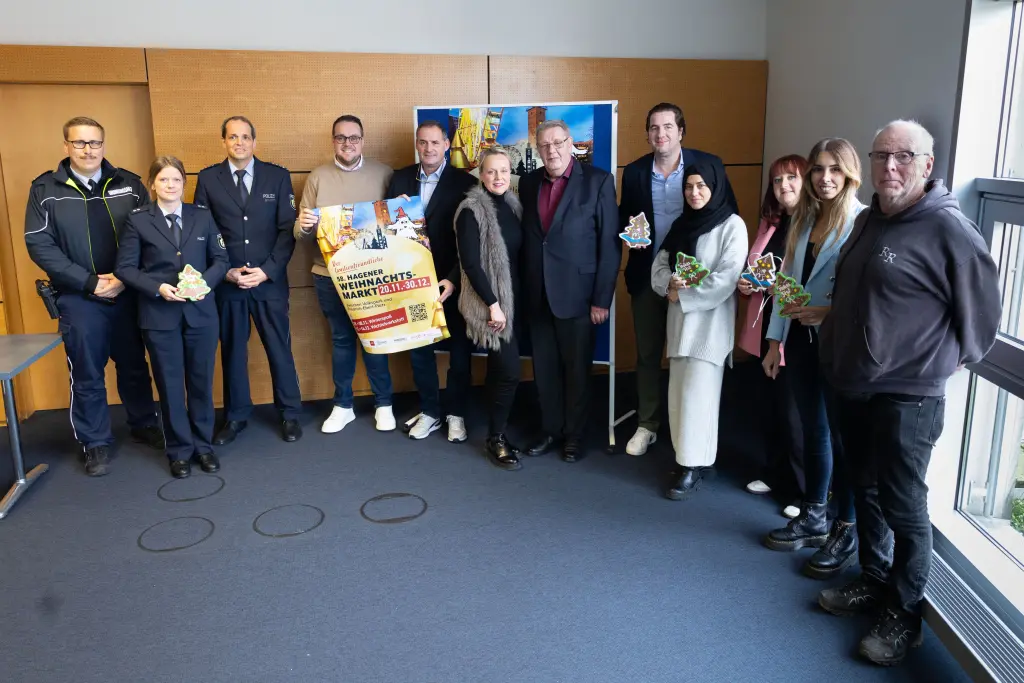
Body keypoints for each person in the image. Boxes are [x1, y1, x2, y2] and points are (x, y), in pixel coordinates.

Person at [817, 120, 1000, 666]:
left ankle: (905, 614)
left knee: (904, 504)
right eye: (881, 156)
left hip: (909, 396)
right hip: (855, 385)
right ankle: (874, 582)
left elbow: (982, 327)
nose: (890, 167)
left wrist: (925, 364)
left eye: (904, 157)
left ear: (927, 164)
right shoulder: (870, 219)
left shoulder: (950, 230)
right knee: (866, 491)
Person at [24, 116, 162, 477]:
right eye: (80, 143)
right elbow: (39, 244)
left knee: (134, 365)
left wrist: (122, 277)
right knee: (86, 372)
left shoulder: (129, 186)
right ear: (65, 146)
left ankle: (144, 423)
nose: (88, 150)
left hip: (128, 292)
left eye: (95, 143)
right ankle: (95, 442)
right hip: (79, 298)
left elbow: (152, 233)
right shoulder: (45, 189)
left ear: (104, 145)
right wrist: (88, 282)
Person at [761, 139, 866, 580]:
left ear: (849, 175)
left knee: (845, 441)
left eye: (834, 171)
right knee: (814, 431)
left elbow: (869, 295)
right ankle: (815, 515)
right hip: (800, 343)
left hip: (838, 342)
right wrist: (773, 342)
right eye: (819, 169)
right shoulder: (804, 217)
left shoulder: (862, 222)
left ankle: (847, 525)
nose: (825, 178)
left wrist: (828, 312)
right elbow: (787, 281)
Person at [619, 103, 738, 457]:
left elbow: (728, 214)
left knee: (691, 357)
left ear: (681, 131)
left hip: (696, 285)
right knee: (648, 353)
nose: (661, 134)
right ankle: (648, 424)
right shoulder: (637, 171)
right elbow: (626, 218)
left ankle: (688, 428)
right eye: (654, 128)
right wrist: (628, 236)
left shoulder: (708, 165)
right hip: (649, 277)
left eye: (668, 127)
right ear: (647, 134)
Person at [115, 156, 229, 478]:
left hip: (201, 314)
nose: (170, 185)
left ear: (184, 184)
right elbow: (125, 268)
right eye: (163, 180)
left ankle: (203, 447)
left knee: (201, 382)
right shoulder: (138, 220)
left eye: (176, 180)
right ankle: (179, 451)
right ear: (153, 184)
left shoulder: (202, 216)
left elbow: (221, 258)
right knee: (169, 385)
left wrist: (205, 282)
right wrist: (157, 287)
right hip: (159, 315)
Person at [194, 116, 303, 446]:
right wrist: (225, 270)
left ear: (255, 142)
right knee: (232, 351)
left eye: (245, 137)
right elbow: (204, 230)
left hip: (268, 282)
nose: (239, 142)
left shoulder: (278, 176)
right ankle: (236, 415)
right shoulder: (209, 178)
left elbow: (287, 230)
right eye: (232, 137)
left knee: (279, 348)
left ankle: (290, 413)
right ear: (223, 142)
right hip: (229, 282)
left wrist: (268, 270)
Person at [519, 120, 620, 462]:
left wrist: (601, 299)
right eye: (545, 145)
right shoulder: (529, 182)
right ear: (538, 148)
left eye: (558, 143)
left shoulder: (598, 181)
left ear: (571, 143)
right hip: (538, 293)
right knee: (544, 370)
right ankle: (551, 430)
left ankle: (574, 436)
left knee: (577, 370)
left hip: (579, 296)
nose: (552, 151)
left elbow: (609, 245)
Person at [652, 159, 747, 499]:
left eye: (701, 186)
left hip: (708, 327)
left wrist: (684, 294)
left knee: (699, 398)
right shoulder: (682, 224)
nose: (694, 192)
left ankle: (695, 465)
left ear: (716, 186)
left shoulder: (732, 225)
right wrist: (668, 286)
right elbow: (659, 265)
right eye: (689, 186)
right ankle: (687, 458)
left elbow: (727, 278)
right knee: (679, 396)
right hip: (679, 325)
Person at [294, 115, 395, 434]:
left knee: (374, 338)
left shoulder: (384, 174)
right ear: (332, 141)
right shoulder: (317, 177)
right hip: (329, 275)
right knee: (341, 339)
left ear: (362, 140)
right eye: (340, 138)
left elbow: (397, 224)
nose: (347, 143)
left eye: (353, 138)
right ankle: (343, 405)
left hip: (373, 273)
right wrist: (304, 225)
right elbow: (300, 232)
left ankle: (384, 403)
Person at [386, 120, 476, 442]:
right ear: (416, 143)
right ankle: (431, 411)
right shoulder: (398, 178)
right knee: (420, 352)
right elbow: (389, 230)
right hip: (412, 284)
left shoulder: (466, 183)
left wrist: (452, 279)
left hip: (453, 281)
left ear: (447, 144)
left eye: (435, 143)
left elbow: (471, 240)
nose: (428, 149)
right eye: (423, 143)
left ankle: (456, 413)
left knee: (460, 353)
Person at [735, 154, 808, 515]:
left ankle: (803, 491)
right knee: (770, 405)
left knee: (794, 413)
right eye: (778, 181)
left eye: (792, 178)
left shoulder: (815, 225)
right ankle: (774, 472)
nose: (784, 187)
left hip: (796, 331)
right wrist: (748, 283)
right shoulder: (772, 223)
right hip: (765, 326)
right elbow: (755, 267)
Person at [453, 147, 523, 469]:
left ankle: (498, 429)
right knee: (509, 370)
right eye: (492, 172)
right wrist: (494, 305)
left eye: (504, 171)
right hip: (492, 305)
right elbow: (469, 263)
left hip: (517, 300)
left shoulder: (512, 205)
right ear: (481, 175)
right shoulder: (471, 210)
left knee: (499, 369)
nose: (498, 178)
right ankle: (496, 439)